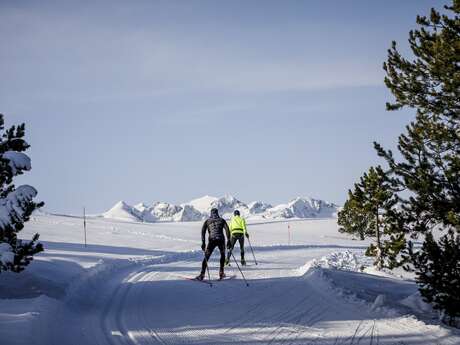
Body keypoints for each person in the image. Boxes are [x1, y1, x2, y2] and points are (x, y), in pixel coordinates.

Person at [196, 208, 230, 280]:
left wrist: (203, 242)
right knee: (222, 255)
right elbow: (227, 230)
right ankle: (221, 272)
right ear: (217, 213)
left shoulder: (207, 221)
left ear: (211, 213)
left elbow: (203, 231)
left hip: (212, 240)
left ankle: (202, 274)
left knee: (206, 256)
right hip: (221, 240)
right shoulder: (222, 220)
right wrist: (229, 240)